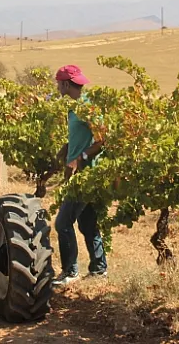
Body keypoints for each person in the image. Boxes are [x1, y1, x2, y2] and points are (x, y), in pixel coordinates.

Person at [51, 64, 108, 287]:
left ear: (66, 84)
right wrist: (67, 148)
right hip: (82, 173)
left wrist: (80, 157)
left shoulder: (87, 108)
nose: (57, 86)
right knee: (88, 224)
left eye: (58, 83)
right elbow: (82, 136)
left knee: (63, 223)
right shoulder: (75, 108)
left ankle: (70, 271)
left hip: (85, 176)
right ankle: (99, 268)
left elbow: (102, 139)